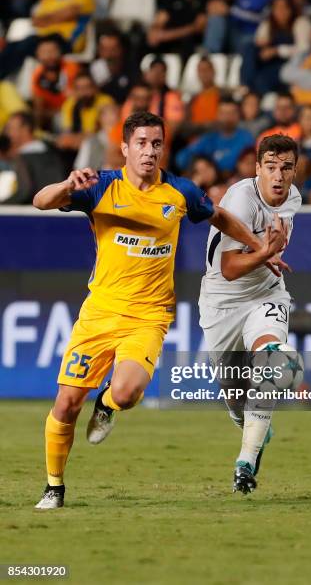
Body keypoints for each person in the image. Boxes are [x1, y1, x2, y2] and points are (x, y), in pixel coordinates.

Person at [32, 110, 287, 509]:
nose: (149, 151)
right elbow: (40, 202)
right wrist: (67, 184)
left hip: (149, 316)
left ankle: (108, 404)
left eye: (156, 143)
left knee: (128, 392)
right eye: (141, 143)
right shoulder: (99, 186)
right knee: (65, 403)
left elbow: (219, 216)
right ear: (125, 148)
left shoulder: (180, 192)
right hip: (100, 312)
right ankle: (54, 487)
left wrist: (260, 249)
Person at [199, 133, 301, 494]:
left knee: (275, 361)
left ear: (294, 171)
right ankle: (253, 425)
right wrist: (265, 253)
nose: (278, 176)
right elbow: (228, 268)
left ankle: (245, 463)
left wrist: (265, 253)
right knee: (237, 399)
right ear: (257, 168)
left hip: (266, 295)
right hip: (222, 303)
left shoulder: (294, 199)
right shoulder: (240, 199)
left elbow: (265, 252)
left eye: (286, 168)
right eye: (270, 167)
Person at [240, 0, 311, 95]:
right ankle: (245, 84)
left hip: (290, 63)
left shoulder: (301, 23)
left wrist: (278, 51)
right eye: (277, 8)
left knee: (261, 78)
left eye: (284, 7)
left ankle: (253, 92)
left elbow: (305, 49)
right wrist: (262, 44)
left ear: (291, 9)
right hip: (268, 62)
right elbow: (259, 42)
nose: (281, 11)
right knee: (250, 47)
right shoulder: (267, 24)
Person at [176, 97, 255, 175]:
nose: (227, 117)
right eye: (223, 113)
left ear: (238, 115)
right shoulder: (209, 138)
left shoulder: (247, 139)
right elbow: (181, 159)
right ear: (217, 115)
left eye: (231, 113)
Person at [204, 0, 278, 54]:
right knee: (216, 19)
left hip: (254, 34)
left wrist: (229, 11)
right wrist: (218, 10)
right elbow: (233, 14)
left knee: (247, 42)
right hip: (235, 31)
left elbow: (264, 17)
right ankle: (209, 55)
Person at [1, 111, 64, 204]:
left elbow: (25, 192)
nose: (8, 133)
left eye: (11, 128)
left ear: (25, 129)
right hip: (56, 207)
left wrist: (3, 206)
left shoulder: (24, 157)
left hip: (34, 211)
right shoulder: (52, 150)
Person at [147, 0, 214, 60]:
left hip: (194, 40)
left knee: (187, 42)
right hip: (170, 40)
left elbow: (199, 27)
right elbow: (158, 24)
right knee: (145, 44)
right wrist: (156, 32)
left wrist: (165, 36)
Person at [31, 35, 79, 129]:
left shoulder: (72, 68)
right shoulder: (36, 75)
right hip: (52, 117)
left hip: (73, 114)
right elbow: (39, 108)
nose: (49, 56)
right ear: (37, 55)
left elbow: (79, 98)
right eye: (45, 52)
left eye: (53, 51)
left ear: (60, 52)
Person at [90, 31, 137, 104]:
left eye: (113, 49)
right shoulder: (93, 70)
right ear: (99, 51)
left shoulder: (132, 69)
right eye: (105, 49)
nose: (109, 54)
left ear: (121, 49)